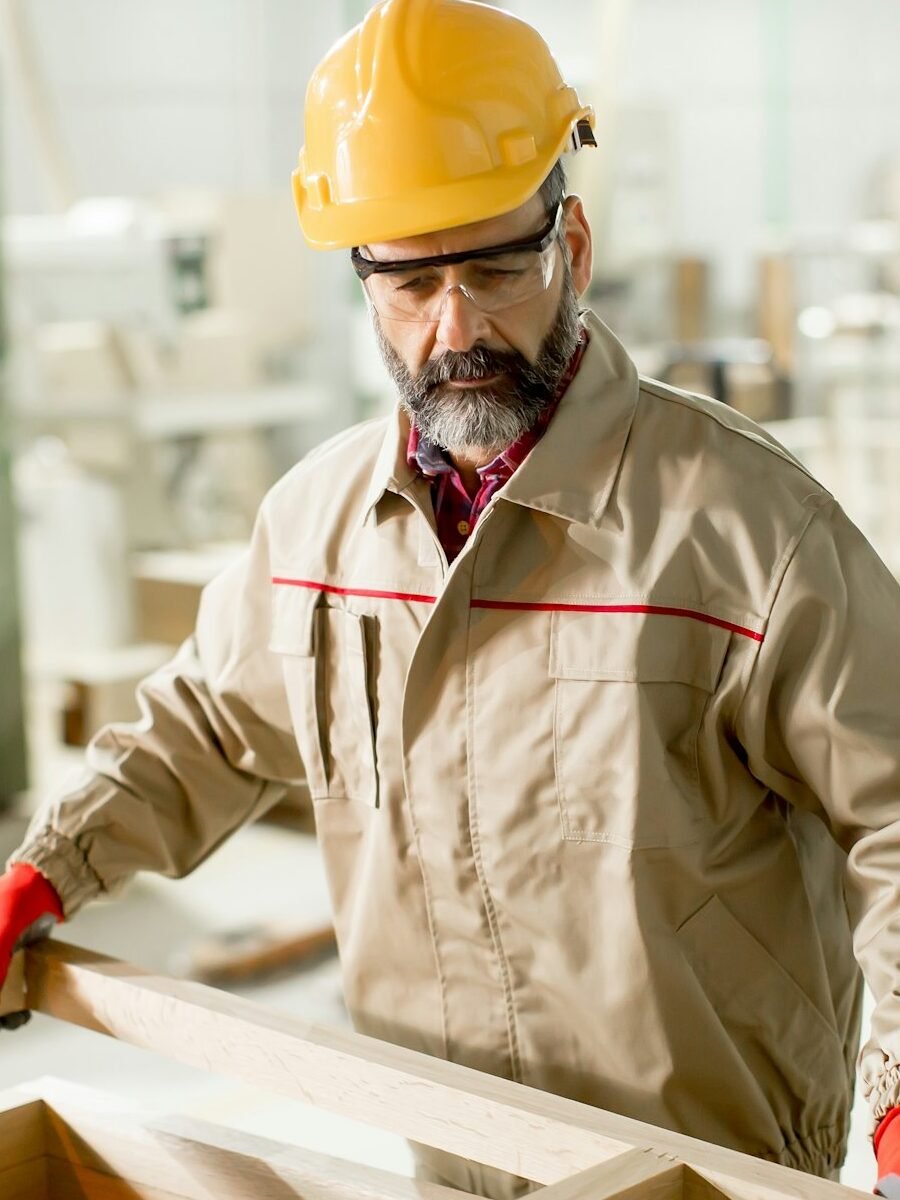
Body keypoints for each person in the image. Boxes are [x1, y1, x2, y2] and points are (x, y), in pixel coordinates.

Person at [2, 1, 900, 1195]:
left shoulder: (751, 530)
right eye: (411, 281)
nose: (458, 325)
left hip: (710, 1165)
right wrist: (49, 868)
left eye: (494, 265)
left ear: (570, 248)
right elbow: (204, 734)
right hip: (445, 1147)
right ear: (364, 285)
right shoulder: (318, 528)